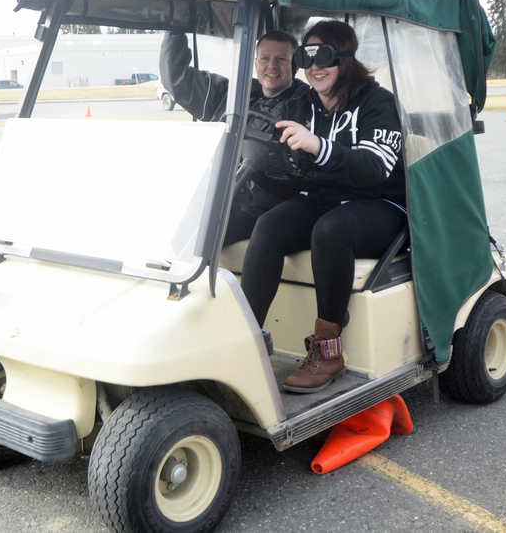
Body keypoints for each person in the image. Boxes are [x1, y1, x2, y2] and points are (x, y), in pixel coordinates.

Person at [239, 20, 407, 393]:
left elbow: (374, 169)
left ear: (345, 59)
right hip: (327, 198)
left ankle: (328, 351)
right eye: (307, 58)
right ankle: (246, 340)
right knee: (268, 226)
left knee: (329, 231)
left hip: (381, 205)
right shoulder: (308, 102)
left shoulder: (377, 104)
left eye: (325, 57)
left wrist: (317, 146)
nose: (314, 68)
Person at [159, 30, 310, 245]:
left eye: (281, 60)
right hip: (225, 196)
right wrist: (174, 26)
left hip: (270, 207)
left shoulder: (307, 105)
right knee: (175, 216)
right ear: (256, 62)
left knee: (207, 230)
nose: (272, 66)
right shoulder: (234, 95)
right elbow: (177, 79)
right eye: (265, 59)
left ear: (295, 66)